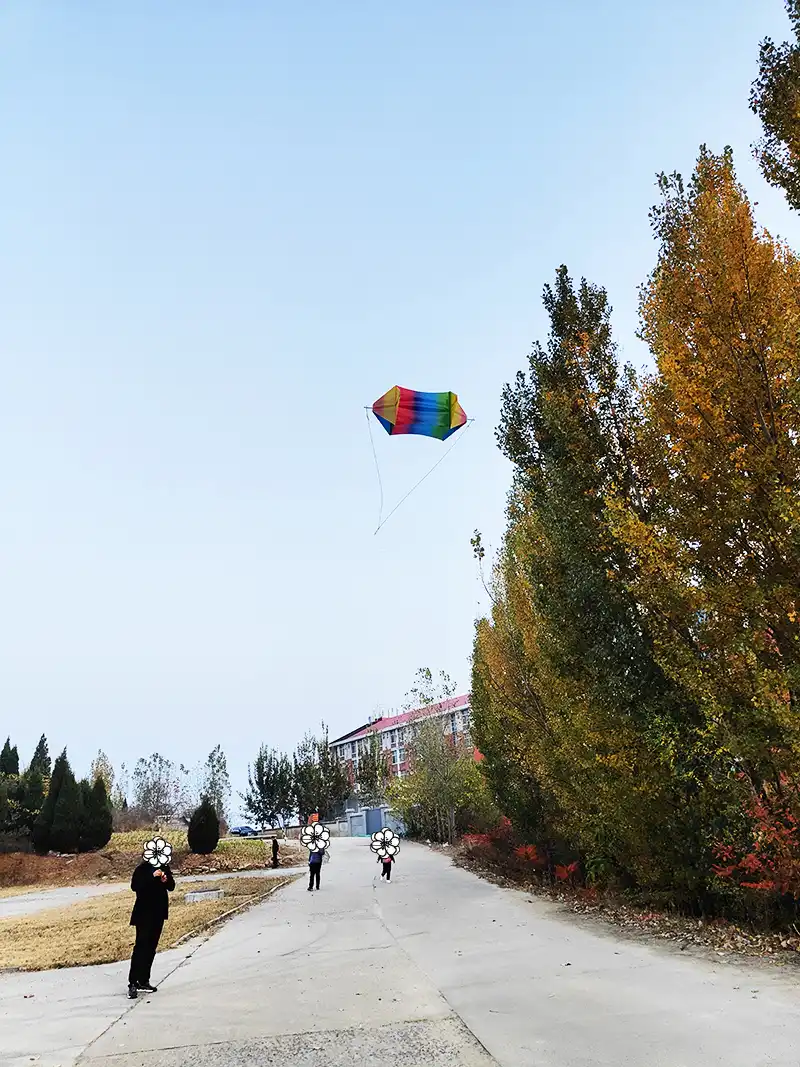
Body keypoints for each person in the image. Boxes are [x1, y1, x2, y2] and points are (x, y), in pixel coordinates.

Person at [127, 855, 175, 999]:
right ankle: (133, 982)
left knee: (151, 947)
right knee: (140, 946)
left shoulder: (164, 868)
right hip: (143, 914)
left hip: (158, 913)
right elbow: (135, 886)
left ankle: (144, 980)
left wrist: (165, 880)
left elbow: (171, 886)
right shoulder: (141, 870)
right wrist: (151, 876)